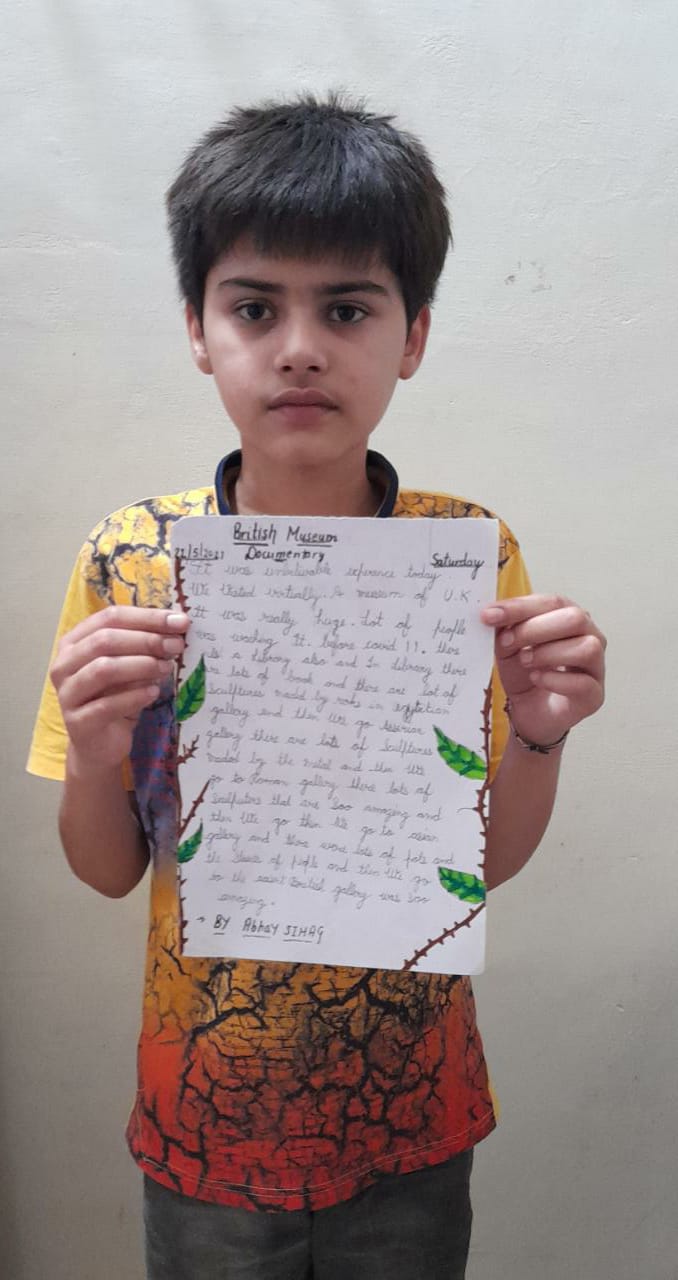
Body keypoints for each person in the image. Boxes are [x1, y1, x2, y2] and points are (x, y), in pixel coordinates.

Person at [28, 94, 606, 1279]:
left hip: (411, 1109)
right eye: (254, 307)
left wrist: (542, 736)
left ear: (413, 334)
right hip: (204, 1111)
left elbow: (482, 861)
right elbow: (105, 868)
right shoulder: (129, 559)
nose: (299, 347)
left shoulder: (466, 557)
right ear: (199, 330)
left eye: (347, 308)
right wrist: (92, 749)